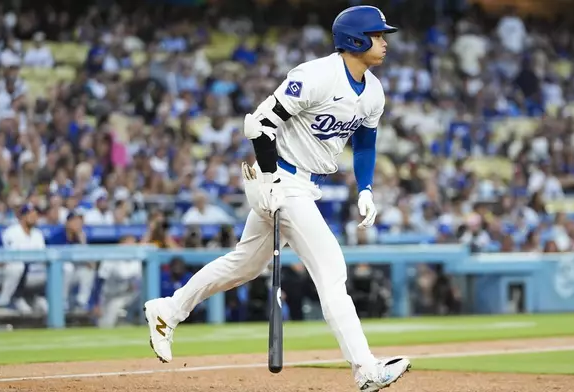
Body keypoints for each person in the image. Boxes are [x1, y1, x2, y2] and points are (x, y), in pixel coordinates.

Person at [144, 6, 410, 391]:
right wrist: (269, 179)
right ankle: (365, 370)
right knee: (332, 273)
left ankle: (169, 308)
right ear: (355, 40)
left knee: (244, 265)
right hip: (282, 179)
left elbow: (366, 144)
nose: (385, 42)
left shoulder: (372, 90)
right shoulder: (316, 76)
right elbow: (258, 123)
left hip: (303, 184)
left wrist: (366, 189)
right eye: (378, 35)